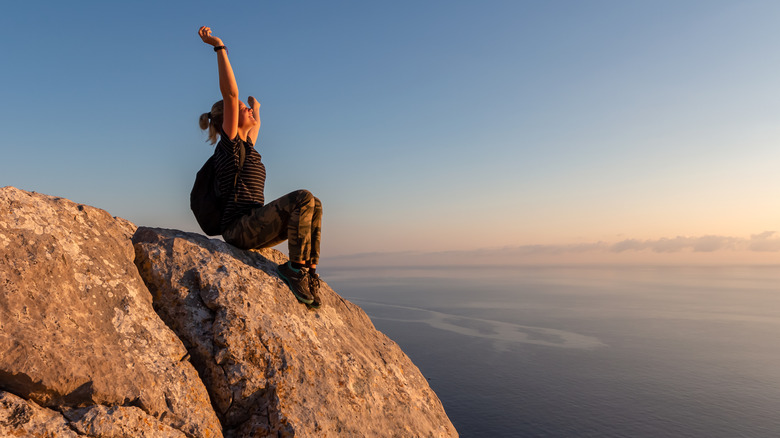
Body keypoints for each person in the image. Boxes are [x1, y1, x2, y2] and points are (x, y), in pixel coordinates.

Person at [197, 26, 323, 308]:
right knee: (302, 197)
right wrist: (219, 47)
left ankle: (307, 272)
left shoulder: (248, 147)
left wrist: (257, 110)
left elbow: (255, 126)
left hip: (253, 225)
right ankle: (293, 270)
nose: (247, 111)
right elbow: (230, 94)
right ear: (227, 118)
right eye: (243, 109)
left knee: (315, 203)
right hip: (238, 229)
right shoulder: (230, 145)